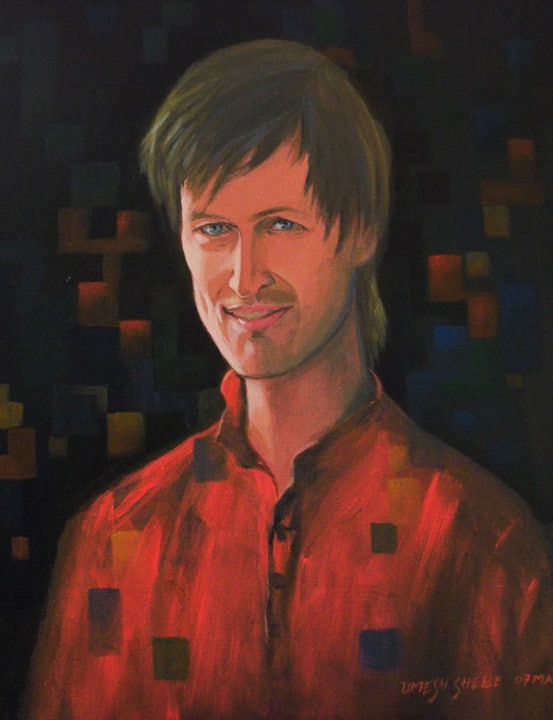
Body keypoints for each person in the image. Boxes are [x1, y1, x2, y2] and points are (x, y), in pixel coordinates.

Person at [24, 39, 552, 720]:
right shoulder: (113, 537)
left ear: (360, 230)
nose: (245, 277)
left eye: (280, 223)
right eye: (214, 228)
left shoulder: (478, 539)